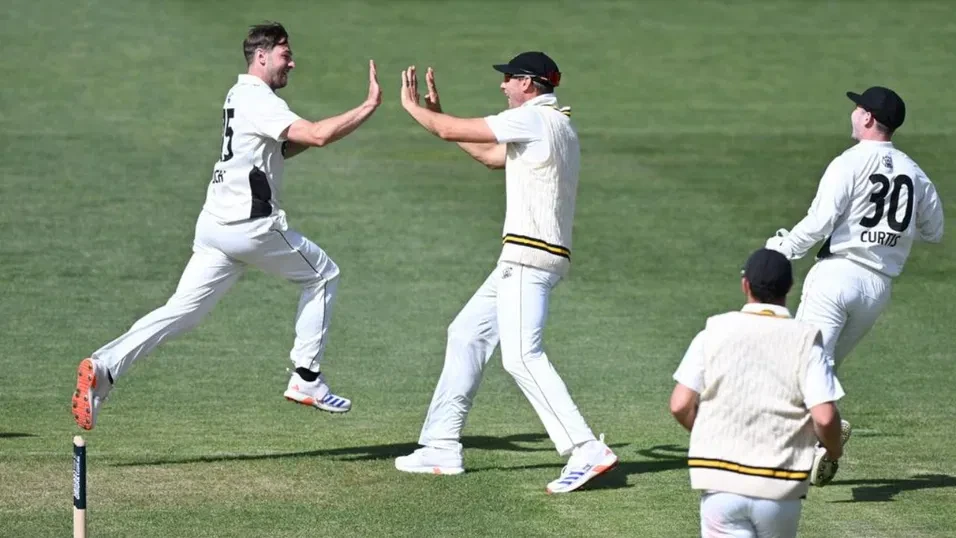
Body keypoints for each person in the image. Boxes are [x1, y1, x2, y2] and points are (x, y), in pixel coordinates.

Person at [72, 22, 382, 430]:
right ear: (262, 56)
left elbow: (283, 149)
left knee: (183, 312)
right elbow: (318, 136)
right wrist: (368, 106)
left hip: (215, 227)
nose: (292, 62)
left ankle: (104, 367)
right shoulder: (261, 100)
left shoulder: (239, 94)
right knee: (323, 275)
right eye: (285, 55)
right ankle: (306, 378)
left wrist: (316, 135)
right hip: (249, 227)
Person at [391, 53, 617, 494]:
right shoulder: (556, 124)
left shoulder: (533, 119)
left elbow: (448, 129)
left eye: (509, 79)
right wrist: (440, 120)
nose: (503, 86)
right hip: (533, 257)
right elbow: (493, 158)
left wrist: (415, 110)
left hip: (527, 258)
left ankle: (584, 447)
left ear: (530, 84)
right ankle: (440, 444)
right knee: (465, 334)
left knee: (520, 357)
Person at [670, 248, 848, 538]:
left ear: (745, 285)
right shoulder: (805, 339)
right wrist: (834, 451)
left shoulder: (713, 331)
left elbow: (680, 405)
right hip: (778, 489)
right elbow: (825, 418)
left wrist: (710, 434)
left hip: (721, 484)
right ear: (789, 287)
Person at [766, 86, 944, 372]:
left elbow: (820, 221)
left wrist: (781, 251)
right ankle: (829, 418)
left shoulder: (848, 162)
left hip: (836, 276)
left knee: (802, 363)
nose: (853, 114)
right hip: (877, 288)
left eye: (858, 109)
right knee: (825, 367)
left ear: (868, 119)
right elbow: (934, 231)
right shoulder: (914, 172)